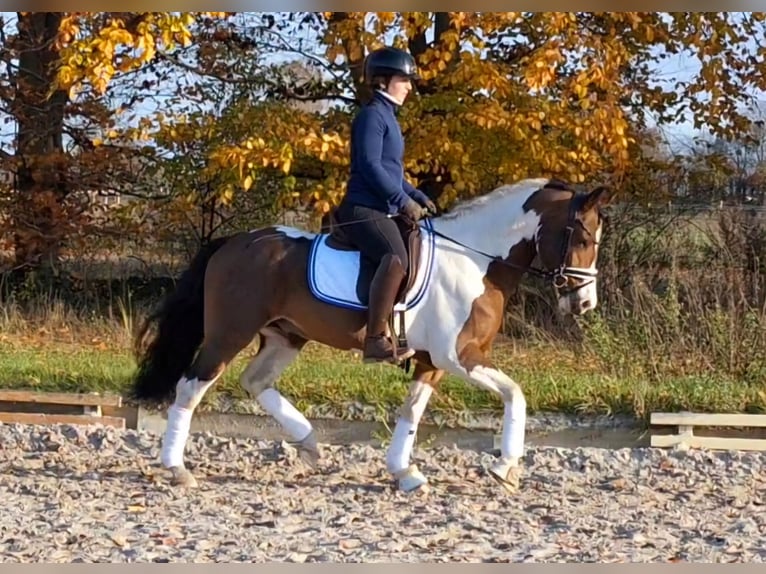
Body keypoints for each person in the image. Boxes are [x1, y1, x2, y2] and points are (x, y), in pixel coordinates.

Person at [334, 46, 437, 365]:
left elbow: (391, 171)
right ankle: (376, 339)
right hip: (363, 208)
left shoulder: (387, 117)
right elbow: (370, 166)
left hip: (381, 206)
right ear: (383, 80)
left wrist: (416, 195)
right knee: (395, 257)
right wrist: (401, 201)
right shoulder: (371, 116)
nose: (409, 86)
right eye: (404, 79)